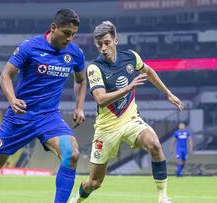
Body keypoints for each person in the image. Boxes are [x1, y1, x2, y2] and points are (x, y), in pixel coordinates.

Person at [0, 8, 86, 203]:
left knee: (72, 153)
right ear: (53, 28)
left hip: (49, 117)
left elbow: (81, 80)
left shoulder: (75, 53)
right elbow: (5, 75)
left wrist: (79, 107)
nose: (69, 38)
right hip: (20, 116)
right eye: (66, 33)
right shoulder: (29, 47)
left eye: (73, 35)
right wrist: (12, 99)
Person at [69, 21, 183, 203]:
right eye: (99, 44)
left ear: (115, 40)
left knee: (154, 144)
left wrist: (167, 93)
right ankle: (77, 199)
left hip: (130, 120)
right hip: (106, 128)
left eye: (106, 42)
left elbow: (148, 70)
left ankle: (163, 197)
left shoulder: (131, 57)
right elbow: (100, 99)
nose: (103, 48)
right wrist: (128, 88)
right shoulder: (94, 68)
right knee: (94, 182)